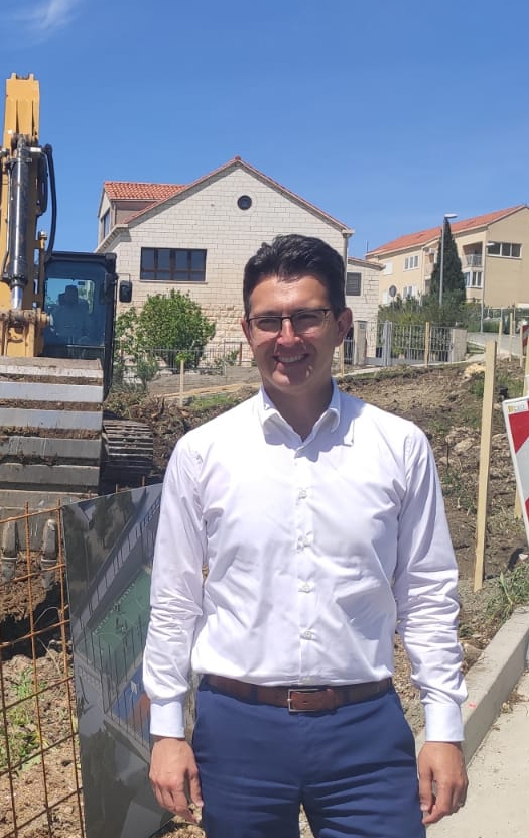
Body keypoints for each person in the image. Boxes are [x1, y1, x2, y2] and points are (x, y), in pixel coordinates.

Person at [143, 234, 468, 837]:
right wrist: (166, 728)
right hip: (238, 732)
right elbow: (175, 598)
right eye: (270, 321)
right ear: (247, 331)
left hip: (364, 733)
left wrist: (445, 727)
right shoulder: (203, 454)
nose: (287, 338)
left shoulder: (398, 447)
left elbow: (426, 594)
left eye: (307, 318)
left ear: (341, 325)